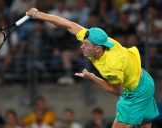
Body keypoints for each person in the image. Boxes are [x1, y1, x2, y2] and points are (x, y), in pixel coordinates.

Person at [26, 8, 159, 128]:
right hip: (145, 80)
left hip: (137, 91)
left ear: (97, 48)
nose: (81, 46)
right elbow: (69, 25)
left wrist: (92, 77)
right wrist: (39, 14)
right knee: (145, 124)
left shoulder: (111, 66)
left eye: (86, 44)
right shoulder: (98, 40)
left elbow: (118, 91)